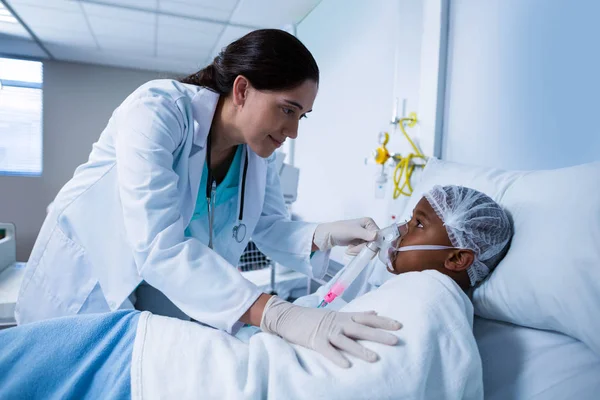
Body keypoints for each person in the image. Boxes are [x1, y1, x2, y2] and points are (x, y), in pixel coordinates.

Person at [15, 29, 401, 366]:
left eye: (302, 116)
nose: (293, 131)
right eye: (288, 109)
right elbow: (159, 246)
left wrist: (326, 234)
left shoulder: (257, 154)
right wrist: (276, 313)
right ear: (242, 89)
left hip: (159, 297)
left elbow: (268, 226)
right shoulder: (158, 110)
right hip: (88, 283)